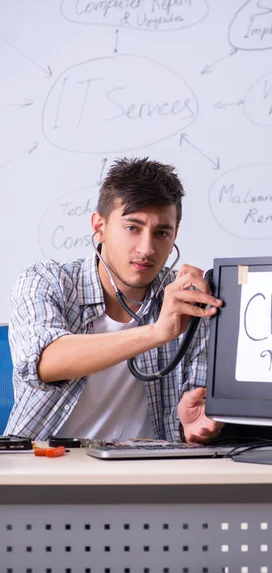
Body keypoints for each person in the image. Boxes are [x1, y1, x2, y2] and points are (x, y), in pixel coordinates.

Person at [5, 157, 223, 443]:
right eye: (133, 227)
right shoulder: (46, 280)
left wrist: (197, 425)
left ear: (174, 237)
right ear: (99, 226)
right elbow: (44, 362)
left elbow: (196, 415)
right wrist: (157, 332)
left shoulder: (188, 300)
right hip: (48, 468)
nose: (146, 249)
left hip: (150, 473)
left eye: (161, 233)